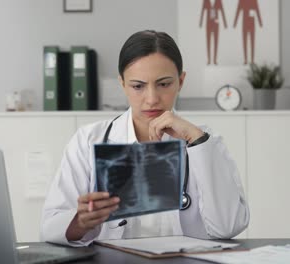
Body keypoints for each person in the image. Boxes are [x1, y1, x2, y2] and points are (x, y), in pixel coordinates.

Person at [41, 30, 249, 246]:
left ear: (181, 81)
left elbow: (228, 226)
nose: (151, 99)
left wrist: (197, 142)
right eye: (138, 86)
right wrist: (80, 222)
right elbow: (50, 226)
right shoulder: (88, 140)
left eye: (164, 84)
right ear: (122, 83)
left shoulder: (205, 141)